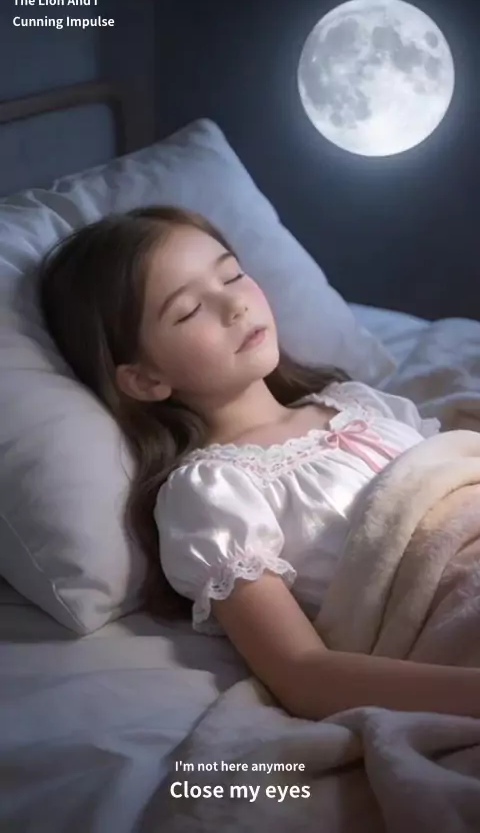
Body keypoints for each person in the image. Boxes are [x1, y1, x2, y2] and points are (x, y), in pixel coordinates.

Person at [38, 205, 480, 721]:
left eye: (232, 275)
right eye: (188, 311)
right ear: (145, 379)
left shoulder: (358, 402)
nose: (234, 304)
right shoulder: (212, 491)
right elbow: (302, 673)